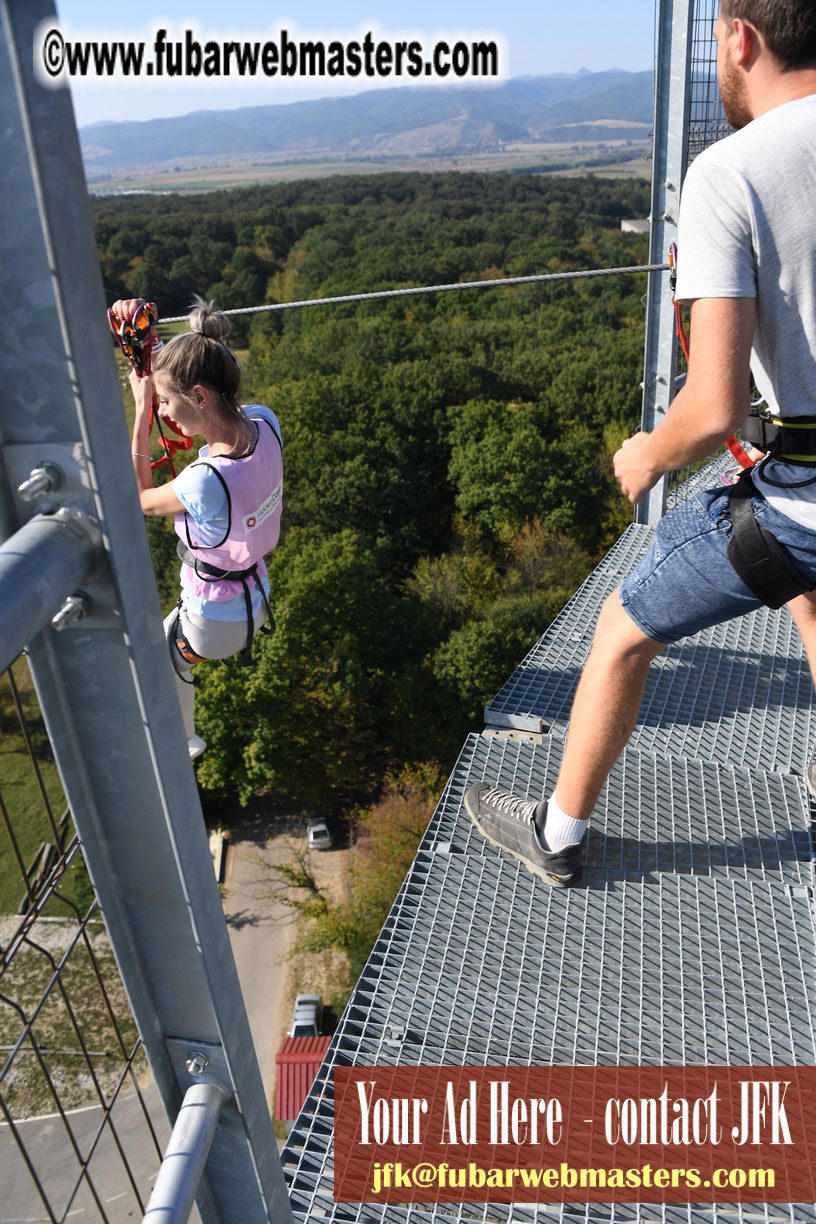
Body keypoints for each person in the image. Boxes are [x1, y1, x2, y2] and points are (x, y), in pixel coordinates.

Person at [465, 0, 816, 886]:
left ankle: (557, 832)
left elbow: (712, 411)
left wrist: (645, 458)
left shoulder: (730, 173)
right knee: (808, 601)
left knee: (621, 627)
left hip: (805, 505)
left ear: (740, 37)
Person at [118, 295, 283, 761]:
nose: (164, 413)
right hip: (255, 595)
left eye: (168, 403)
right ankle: (183, 735)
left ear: (201, 396)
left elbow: (142, 501)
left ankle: (184, 741)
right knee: (162, 643)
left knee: (162, 662)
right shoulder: (266, 423)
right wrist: (162, 367)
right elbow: (223, 413)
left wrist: (140, 410)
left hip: (215, 622)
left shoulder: (205, 481)